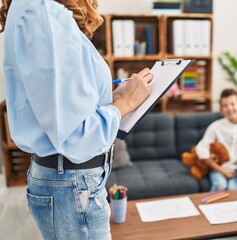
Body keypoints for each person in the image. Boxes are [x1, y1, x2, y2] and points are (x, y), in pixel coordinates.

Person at [0, 0, 153, 239]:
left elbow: (59, 108)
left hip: (70, 182)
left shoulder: (33, 9)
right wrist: (127, 103)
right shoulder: (43, 12)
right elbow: (76, 135)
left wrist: (110, 100)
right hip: (73, 184)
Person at [195, 88, 237, 192]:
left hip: (235, 169)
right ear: (221, 110)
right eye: (225, 105)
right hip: (218, 168)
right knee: (220, 185)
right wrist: (222, 171)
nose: (229, 108)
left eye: (233, 104)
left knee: (233, 189)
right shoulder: (215, 127)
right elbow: (202, 150)